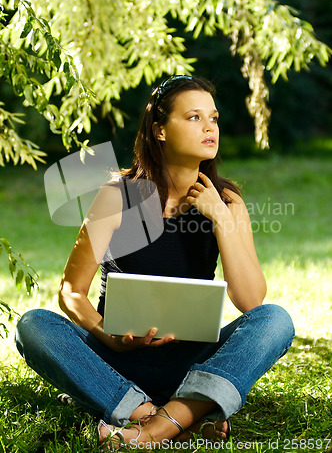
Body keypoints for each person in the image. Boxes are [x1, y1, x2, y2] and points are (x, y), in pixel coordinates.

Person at [16, 75, 295, 450]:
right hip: (117, 359)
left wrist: (221, 220)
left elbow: (251, 302)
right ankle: (174, 414)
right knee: (33, 325)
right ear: (160, 130)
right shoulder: (115, 197)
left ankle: (152, 425)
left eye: (213, 118)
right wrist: (107, 337)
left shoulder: (227, 202)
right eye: (194, 117)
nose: (209, 127)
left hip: (192, 363)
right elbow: (72, 293)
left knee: (275, 320)